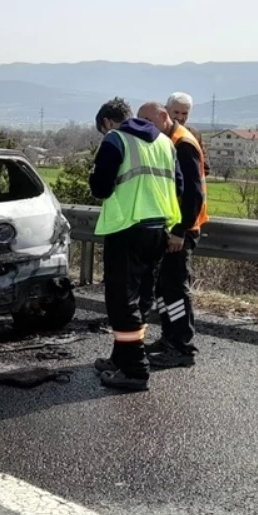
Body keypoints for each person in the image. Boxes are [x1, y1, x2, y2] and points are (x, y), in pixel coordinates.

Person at [89, 97, 182, 391]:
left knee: (121, 301)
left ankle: (134, 369)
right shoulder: (165, 143)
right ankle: (121, 357)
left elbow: (101, 188)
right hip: (158, 229)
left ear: (106, 122)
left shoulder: (115, 140)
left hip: (127, 227)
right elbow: (178, 186)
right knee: (141, 298)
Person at [139, 96, 209, 369]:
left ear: (163, 117)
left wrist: (180, 231)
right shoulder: (170, 140)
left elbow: (193, 193)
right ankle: (170, 339)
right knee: (165, 287)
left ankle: (182, 347)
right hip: (172, 227)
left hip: (183, 229)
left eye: (148, 122)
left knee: (176, 289)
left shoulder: (183, 143)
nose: (145, 127)